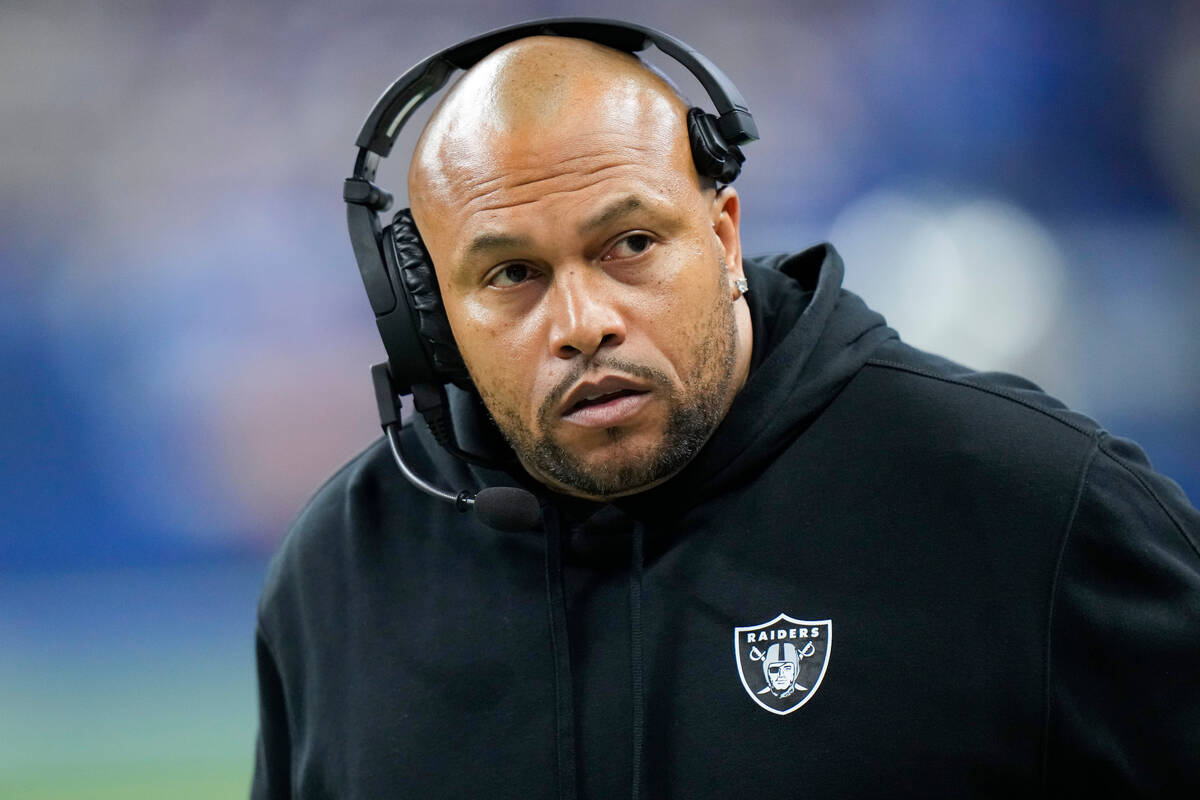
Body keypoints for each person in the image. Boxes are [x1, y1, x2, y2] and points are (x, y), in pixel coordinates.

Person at [251, 25, 1200, 800]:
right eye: (512, 275)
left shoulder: (1040, 506)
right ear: (433, 317)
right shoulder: (340, 572)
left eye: (628, 244)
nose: (583, 323)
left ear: (722, 233)